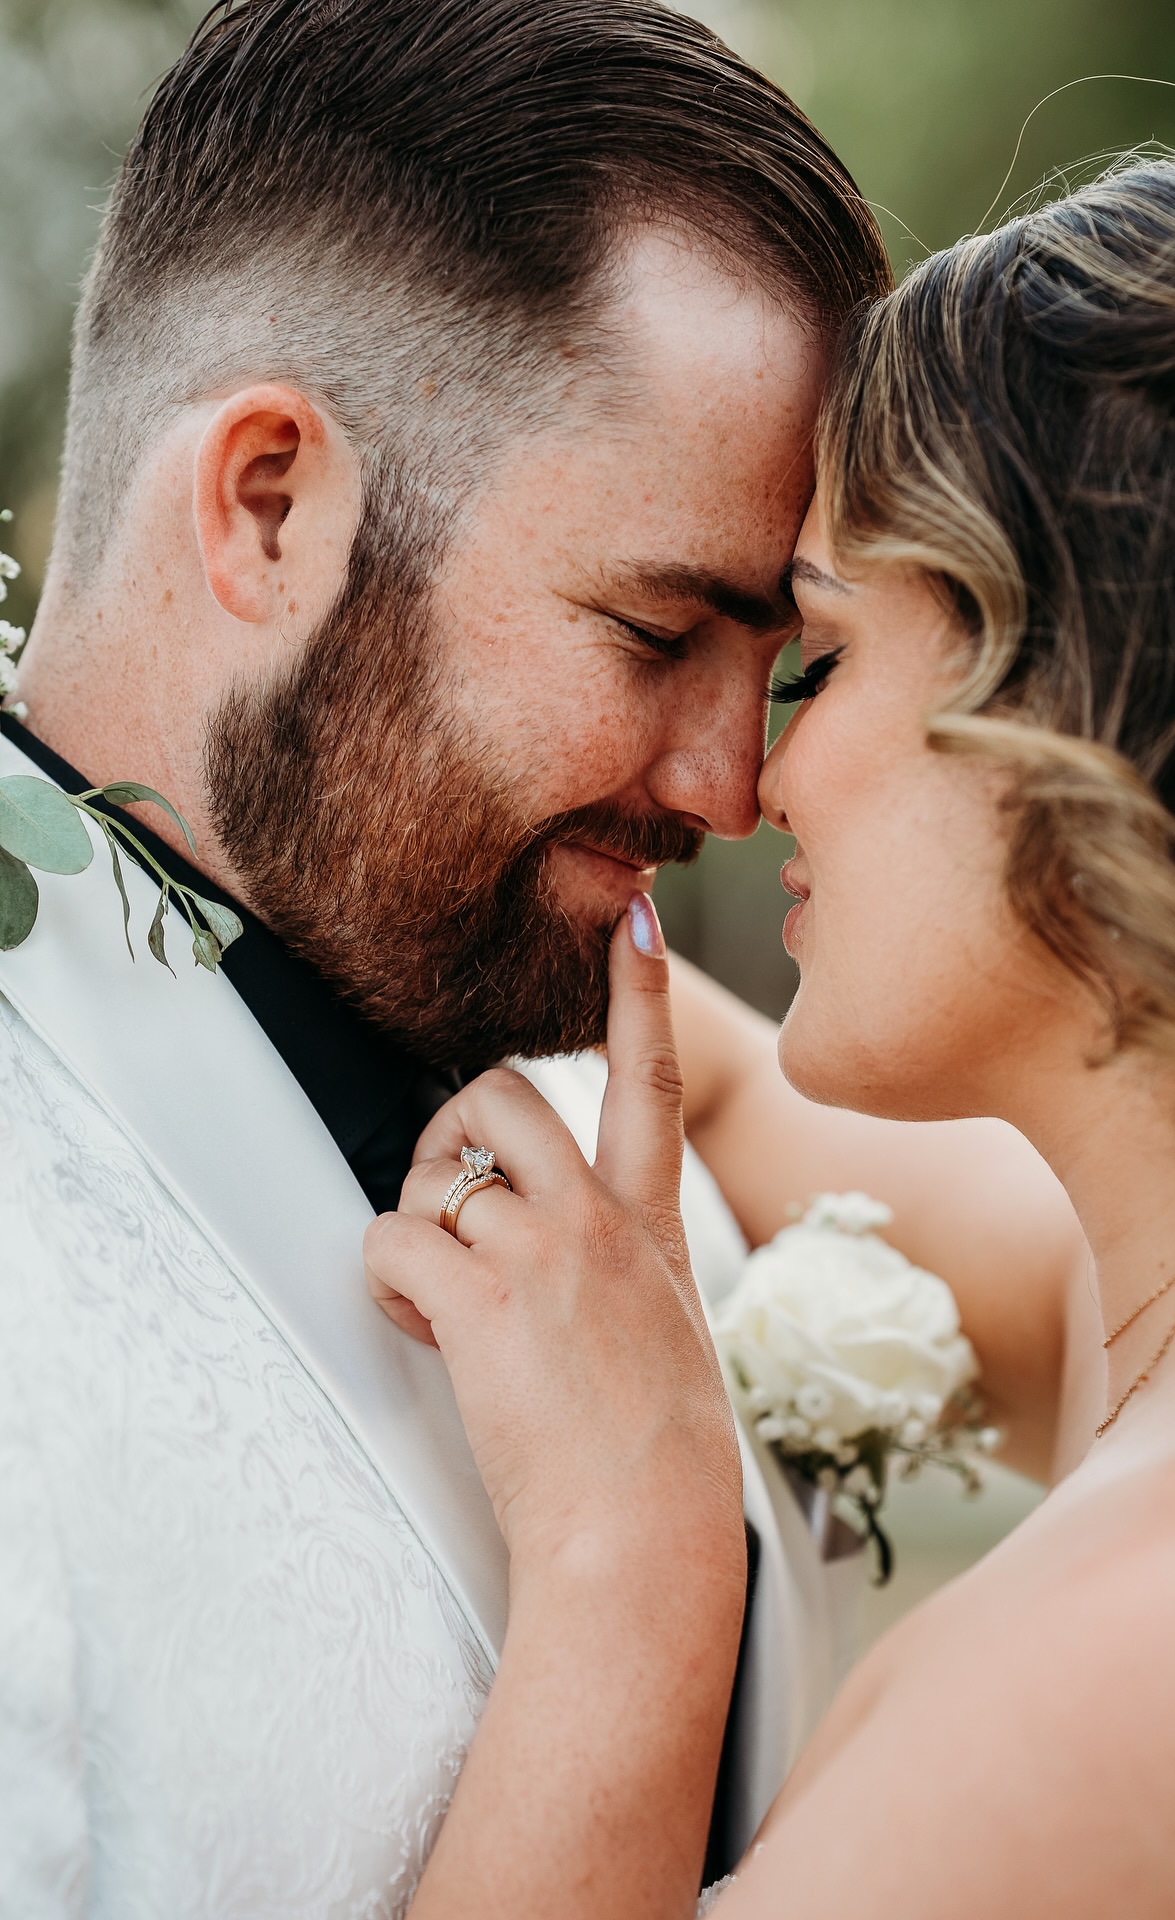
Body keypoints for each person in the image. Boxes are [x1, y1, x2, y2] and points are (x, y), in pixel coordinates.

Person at [0, 1, 1028, 1909]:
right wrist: (632, 1577)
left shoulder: (596, 1050)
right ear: (268, 504)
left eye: (782, 664)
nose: (739, 784)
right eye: (658, 633)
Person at [367, 132, 1175, 1916]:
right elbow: (696, 1074)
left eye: (822, 660)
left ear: (1099, 711)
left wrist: (635, 1553)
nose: (755, 780)